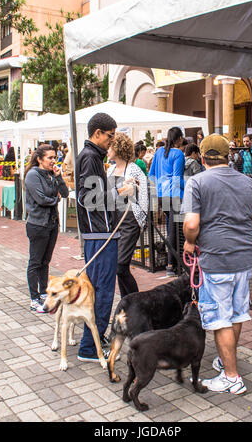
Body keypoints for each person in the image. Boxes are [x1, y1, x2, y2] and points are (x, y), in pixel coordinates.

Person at [181, 133, 252, 394]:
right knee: (236, 314)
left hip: (215, 260)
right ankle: (225, 360)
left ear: (203, 157)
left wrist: (189, 242)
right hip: (242, 259)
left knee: (219, 319)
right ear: (228, 157)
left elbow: (192, 223)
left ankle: (231, 376)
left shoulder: (197, 182)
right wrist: (246, 244)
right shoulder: (248, 182)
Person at [76, 112, 133, 362]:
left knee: (100, 292)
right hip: (99, 235)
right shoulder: (90, 157)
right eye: (110, 136)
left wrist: (117, 190)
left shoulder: (92, 157)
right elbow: (86, 198)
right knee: (102, 293)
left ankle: (94, 342)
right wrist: (121, 192)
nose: (112, 141)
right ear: (97, 133)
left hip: (101, 234)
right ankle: (90, 348)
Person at [24, 144, 69, 312]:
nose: (53, 161)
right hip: (37, 224)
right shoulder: (33, 175)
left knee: (45, 261)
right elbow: (41, 199)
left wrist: (58, 178)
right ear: (39, 159)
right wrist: (55, 200)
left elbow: (64, 193)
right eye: (49, 158)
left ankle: (43, 292)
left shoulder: (51, 174)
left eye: (54, 157)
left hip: (51, 224)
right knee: (35, 262)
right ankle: (34, 297)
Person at [107, 133, 148, 297]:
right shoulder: (109, 169)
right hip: (114, 222)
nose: (108, 150)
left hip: (130, 222)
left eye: (110, 146)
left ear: (118, 148)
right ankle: (128, 302)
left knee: (120, 265)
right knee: (119, 268)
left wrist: (141, 220)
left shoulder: (134, 169)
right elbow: (107, 195)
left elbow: (143, 196)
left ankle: (135, 301)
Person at [149, 126, 185, 277]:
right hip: (175, 195)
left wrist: (160, 187)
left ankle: (172, 263)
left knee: (171, 228)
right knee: (175, 231)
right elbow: (177, 178)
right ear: (179, 139)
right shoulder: (178, 154)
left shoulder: (158, 152)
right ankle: (172, 264)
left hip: (162, 196)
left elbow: (151, 175)